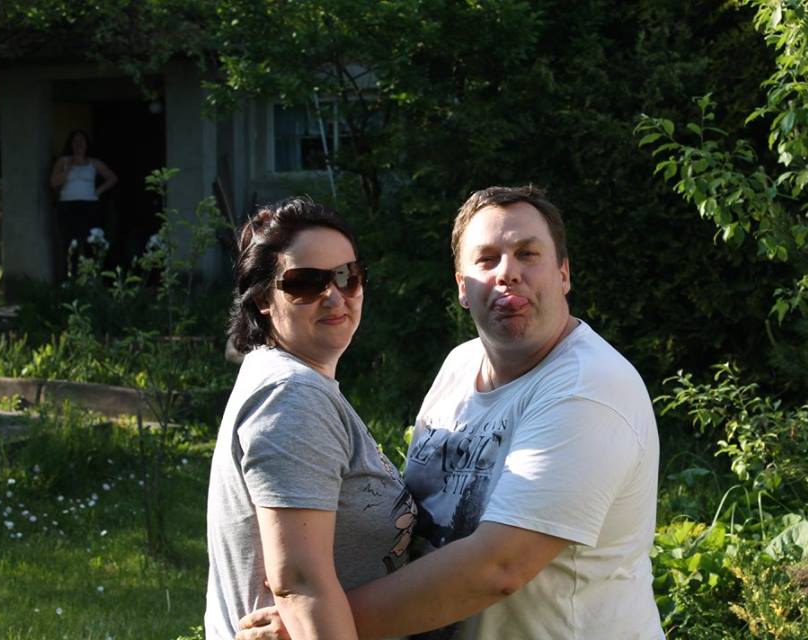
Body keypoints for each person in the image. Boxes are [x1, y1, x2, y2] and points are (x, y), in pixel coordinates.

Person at [238, 185, 664, 639]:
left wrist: (318, 622)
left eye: (527, 254)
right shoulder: (461, 365)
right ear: (463, 287)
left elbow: (499, 567)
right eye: (486, 259)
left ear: (563, 274)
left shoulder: (587, 389)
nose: (508, 273)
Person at [205, 196, 416, 639]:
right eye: (304, 283)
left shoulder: (284, 376)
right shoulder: (292, 394)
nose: (333, 295)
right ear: (262, 299)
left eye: (347, 276)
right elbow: (299, 585)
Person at [50, 129, 118, 257]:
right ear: (71, 144)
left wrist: (98, 191)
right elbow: (53, 182)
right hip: (67, 205)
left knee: (89, 242)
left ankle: (89, 269)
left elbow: (112, 178)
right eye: (75, 141)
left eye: (82, 141)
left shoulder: (94, 162)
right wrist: (67, 170)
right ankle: (70, 269)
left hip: (89, 205)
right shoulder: (63, 161)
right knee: (69, 243)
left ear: (86, 144)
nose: (79, 144)